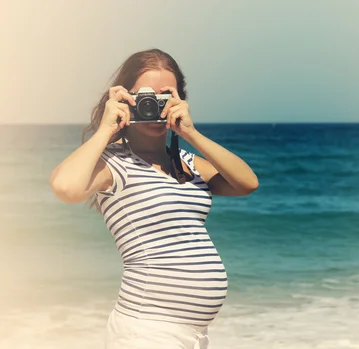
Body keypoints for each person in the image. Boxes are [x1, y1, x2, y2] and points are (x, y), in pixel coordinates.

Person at [49, 48, 259, 349]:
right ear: (123, 99)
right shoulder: (114, 163)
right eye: (143, 96)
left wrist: (190, 133)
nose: (152, 105)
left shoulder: (185, 161)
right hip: (146, 331)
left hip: (193, 336)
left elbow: (247, 183)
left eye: (165, 96)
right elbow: (65, 187)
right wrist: (107, 130)